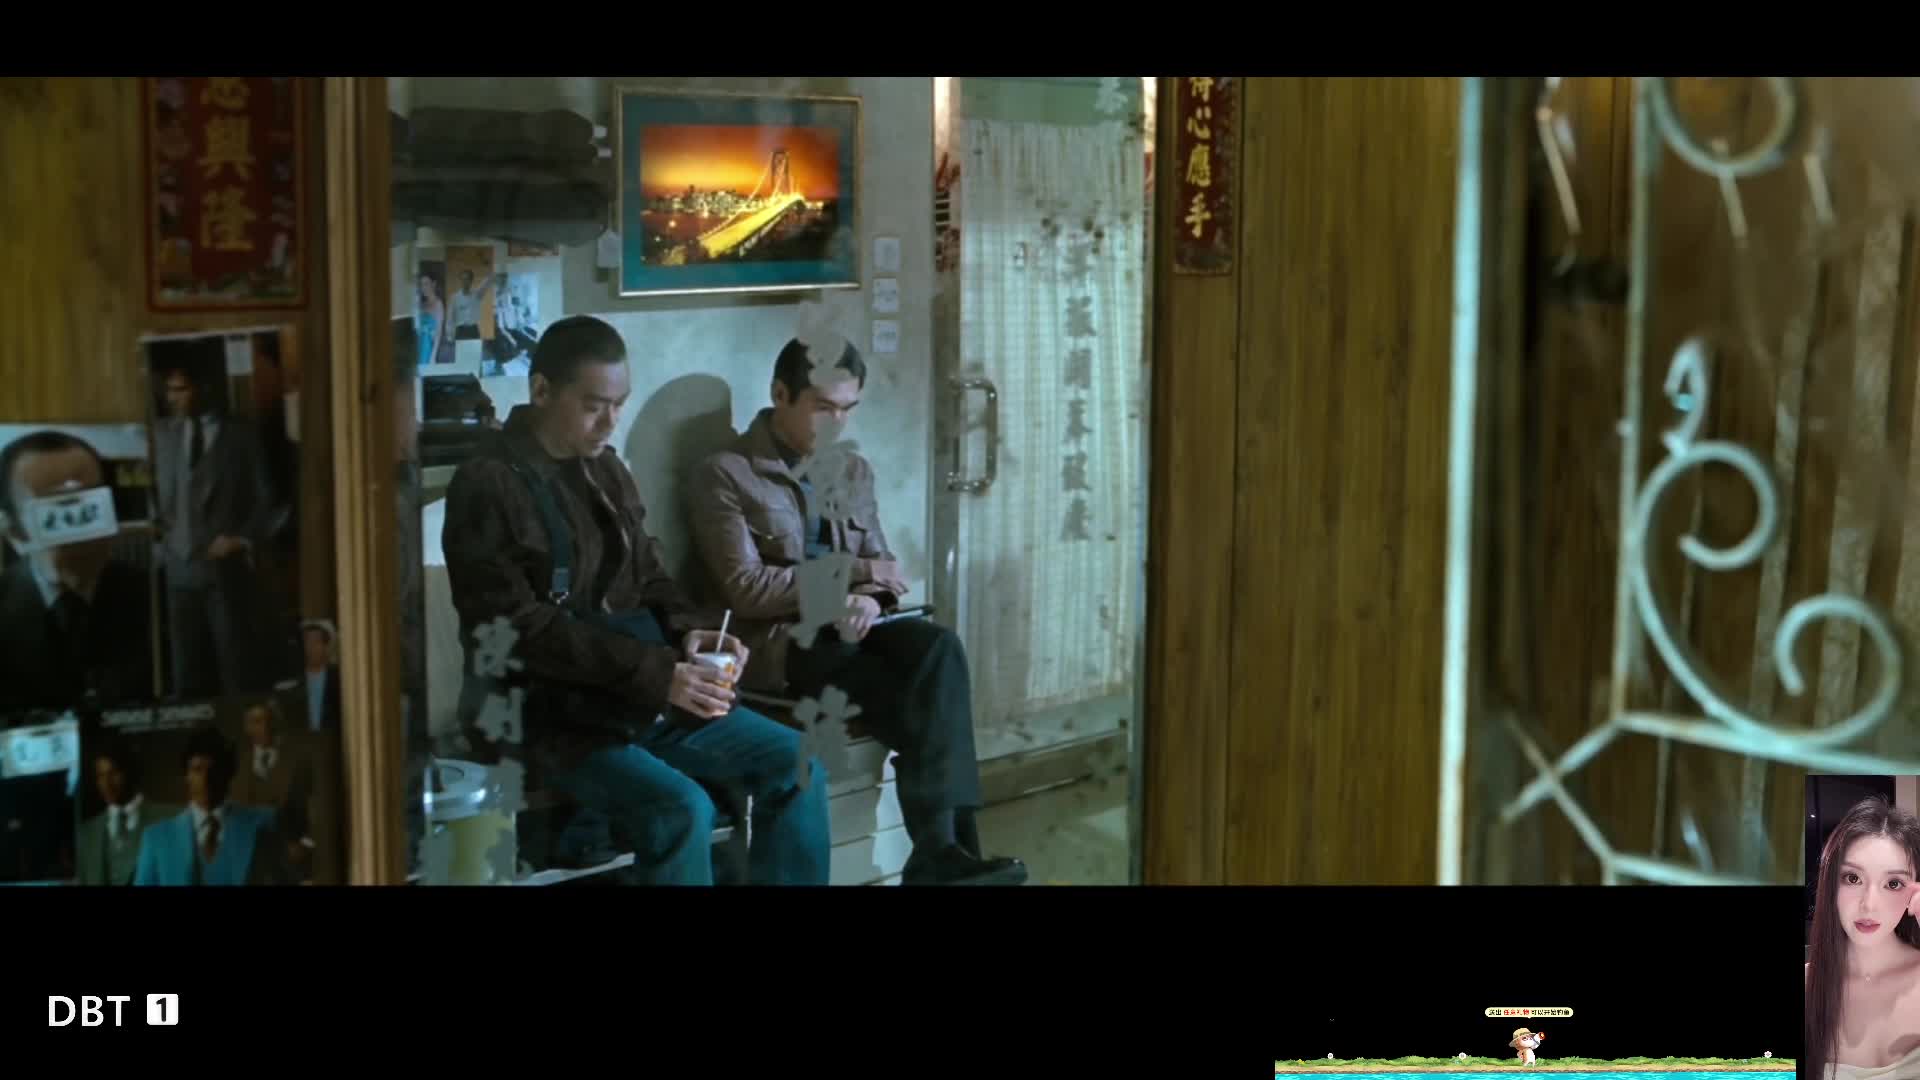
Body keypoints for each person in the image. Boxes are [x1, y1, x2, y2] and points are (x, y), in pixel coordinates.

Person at [440, 315, 830, 886]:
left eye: (619, 405)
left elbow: (648, 576)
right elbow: (518, 628)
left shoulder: (605, 468)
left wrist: (689, 632)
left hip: (631, 693)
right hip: (541, 715)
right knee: (681, 810)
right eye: (594, 406)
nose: (610, 422)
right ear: (541, 391)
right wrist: (656, 673)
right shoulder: (487, 483)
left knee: (799, 762)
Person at [686, 337, 1026, 886]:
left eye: (848, 408)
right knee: (921, 696)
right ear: (780, 394)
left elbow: (884, 569)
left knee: (938, 648)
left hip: (851, 628)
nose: (837, 422)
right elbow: (746, 589)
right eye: (824, 406)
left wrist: (869, 599)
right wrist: (852, 580)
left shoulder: (852, 471)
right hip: (780, 643)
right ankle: (945, 855)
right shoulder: (725, 473)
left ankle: (941, 851)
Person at [0, 430, 157, 713]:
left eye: (91, 503)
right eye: (54, 511)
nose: (81, 526)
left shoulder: (159, 599)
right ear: (14, 533)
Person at [152, 364, 276, 698]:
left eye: (181, 390)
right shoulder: (162, 435)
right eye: (170, 390)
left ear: (202, 389)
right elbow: (155, 494)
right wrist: (161, 541)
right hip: (177, 568)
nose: (173, 398)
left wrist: (239, 539)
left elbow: (267, 501)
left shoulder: (239, 436)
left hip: (224, 568)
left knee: (233, 664)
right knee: (186, 668)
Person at [1806, 797, 1920, 1080]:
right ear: (1831, 883)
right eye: (1852, 878)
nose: (1869, 905)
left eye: (1893, 883)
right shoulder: (1808, 985)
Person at [133, 725, 284, 886]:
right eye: (197, 769)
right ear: (186, 776)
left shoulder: (262, 823)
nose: (205, 779)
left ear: (229, 773)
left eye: (214, 770)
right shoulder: (157, 838)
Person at [229, 698, 331, 884]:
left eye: (268, 721)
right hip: (250, 861)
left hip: (290, 860)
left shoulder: (298, 761)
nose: (264, 727)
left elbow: (316, 805)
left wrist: (306, 842)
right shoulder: (237, 765)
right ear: (247, 727)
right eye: (256, 722)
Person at [75, 741, 181, 886]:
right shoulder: (86, 833)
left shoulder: (170, 819)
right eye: (100, 776)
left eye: (114, 773)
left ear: (130, 772)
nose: (107, 784)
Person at [300, 620, 342, 734]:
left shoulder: (338, 679)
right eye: (307, 642)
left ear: (325, 646)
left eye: (316, 642)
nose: (311, 647)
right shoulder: (297, 680)